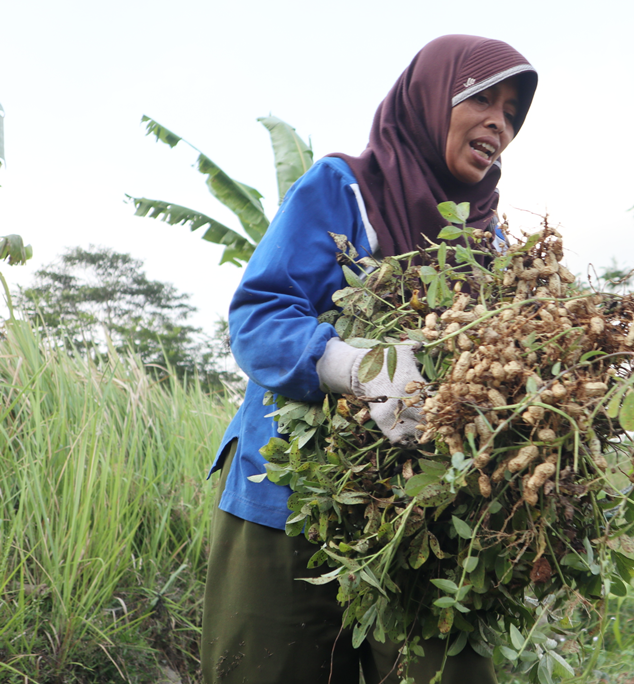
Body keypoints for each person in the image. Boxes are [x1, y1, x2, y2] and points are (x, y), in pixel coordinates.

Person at [200, 35, 538, 684]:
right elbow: (258, 317)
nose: (500, 121)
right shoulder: (345, 189)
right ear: (432, 97)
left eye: (513, 112)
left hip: (425, 513)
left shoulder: (491, 238)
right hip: (293, 498)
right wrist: (355, 366)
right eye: (482, 98)